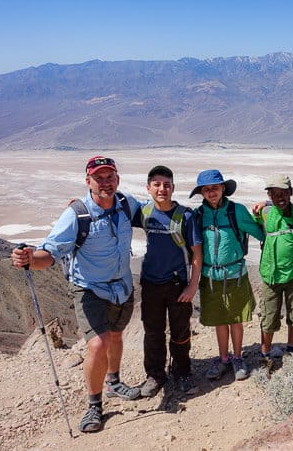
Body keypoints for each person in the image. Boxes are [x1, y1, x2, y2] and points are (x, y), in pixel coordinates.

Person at [10, 156, 140, 433]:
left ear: (117, 179)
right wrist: (30, 259)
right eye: (99, 177)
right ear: (88, 181)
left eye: (110, 176)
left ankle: (114, 382)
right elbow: (51, 253)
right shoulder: (76, 214)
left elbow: (156, 210)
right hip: (89, 288)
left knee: (116, 336)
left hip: (122, 286)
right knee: (97, 344)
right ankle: (94, 406)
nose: (105, 182)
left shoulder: (127, 204)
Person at [133, 166, 203, 397]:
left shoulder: (186, 216)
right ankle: (155, 375)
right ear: (148, 188)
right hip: (151, 283)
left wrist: (193, 286)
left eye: (166, 185)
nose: (162, 189)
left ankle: (182, 372)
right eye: (157, 184)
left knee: (180, 331)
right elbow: (113, 209)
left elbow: (197, 254)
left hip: (177, 285)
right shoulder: (143, 212)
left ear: (173, 188)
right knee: (153, 332)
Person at [190, 169, 264, 381]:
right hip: (210, 277)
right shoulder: (197, 216)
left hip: (235, 274)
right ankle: (223, 358)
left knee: (235, 319)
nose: (211, 192)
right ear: (201, 193)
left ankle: (238, 357)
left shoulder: (236, 211)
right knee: (219, 320)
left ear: (223, 188)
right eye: (206, 189)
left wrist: (265, 209)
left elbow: (260, 232)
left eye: (215, 188)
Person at [254, 174, 293, 361]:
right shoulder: (265, 213)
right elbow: (257, 217)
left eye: (283, 193)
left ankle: (291, 350)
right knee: (269, 316)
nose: (280, 197)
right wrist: (264, 204)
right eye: (274, 194)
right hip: (270, 275)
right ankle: (265, 354)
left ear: (291, 192)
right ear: (269, 196)